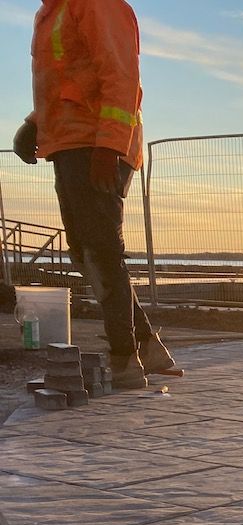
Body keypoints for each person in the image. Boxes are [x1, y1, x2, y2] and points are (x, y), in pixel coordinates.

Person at [12, 0, 174, 389]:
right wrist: (33, 124)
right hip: (71, 143)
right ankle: (145, 347)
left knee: (101, 249)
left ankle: (125, 359)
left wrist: (109, 146)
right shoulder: (55, 10)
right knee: (86, 251)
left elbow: (120, 76)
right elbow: (69, 78)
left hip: (96, 146)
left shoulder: (95, 4)